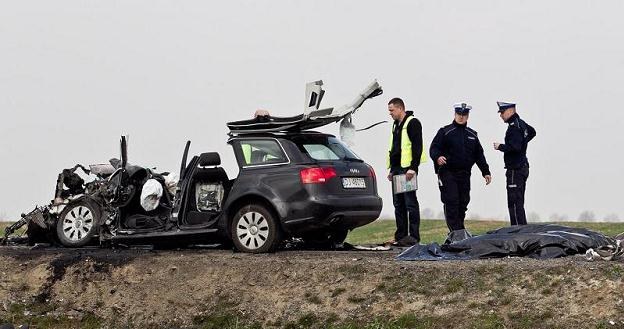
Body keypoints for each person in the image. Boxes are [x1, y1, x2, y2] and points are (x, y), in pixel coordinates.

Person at [430, 103, 491, 232]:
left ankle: (459, 229)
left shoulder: (472, 135)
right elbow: (434, 148)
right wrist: (438, 157)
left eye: (464, 115)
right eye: (459, 114)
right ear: (455, 114)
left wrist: (486, 171)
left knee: (463, 202)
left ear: (468, 116)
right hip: (448, 173)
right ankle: (455, 232)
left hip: (465, 174)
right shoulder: (445, 131)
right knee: (451, 201)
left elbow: (479, 155)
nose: (461, 117)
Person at [386, 98, 424, 246]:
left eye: (391, 110)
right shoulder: (395, 124)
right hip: (397, 169)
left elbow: (417, 147)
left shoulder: (413, 123)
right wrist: (391, 170)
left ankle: (414, 236)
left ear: (400, 108)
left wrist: (413, 168)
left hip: (407, 170)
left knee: (410, 203)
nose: (390, 113)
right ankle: (400, 236)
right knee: (398, 204)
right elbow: (395, 148)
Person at [493, 102, 536, 226]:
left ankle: (518, 232)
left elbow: (515, 147)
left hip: (515, 169)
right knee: (519, 202)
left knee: (514, 203)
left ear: (510, 111)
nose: (501, 115)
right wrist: (524, 142)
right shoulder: (521, 123)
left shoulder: (514, 127)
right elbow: (532, 132)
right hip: (523, 166)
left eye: (502, 112)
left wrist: (500, 146)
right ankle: (521, 230)